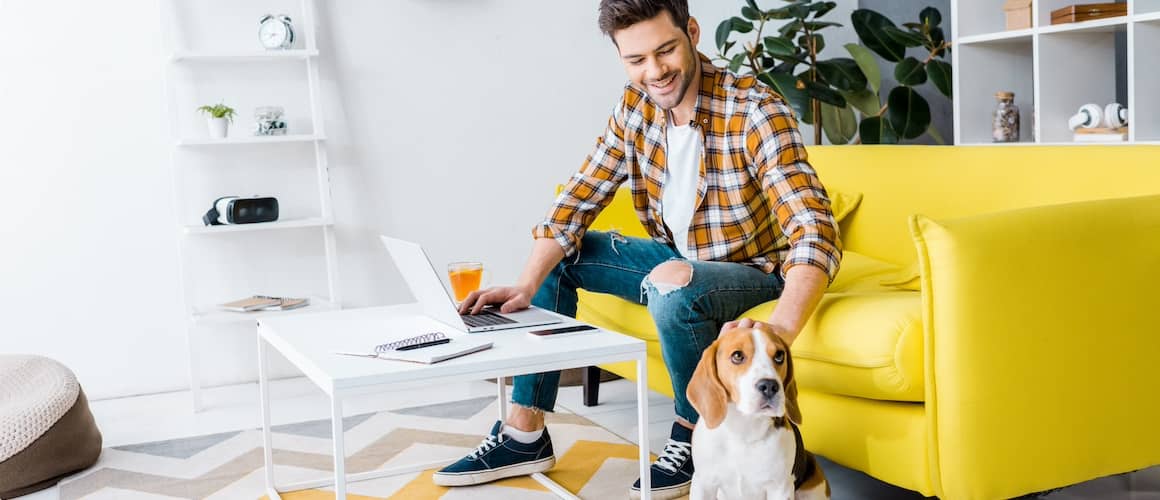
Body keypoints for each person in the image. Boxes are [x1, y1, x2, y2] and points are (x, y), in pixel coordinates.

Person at [432, 0, 841, 497]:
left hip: (753, 270)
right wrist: (525, 283)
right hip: (679, 263)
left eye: (666, 50)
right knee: (566, 256)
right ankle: (524, 433)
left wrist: (780, 328)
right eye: (636, 60)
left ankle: (693, 438)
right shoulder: (636, 105)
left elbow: (813, 230)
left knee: (675, 287)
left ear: (691, 32)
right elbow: (579, 197)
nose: (655, 71)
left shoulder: (755, 110)